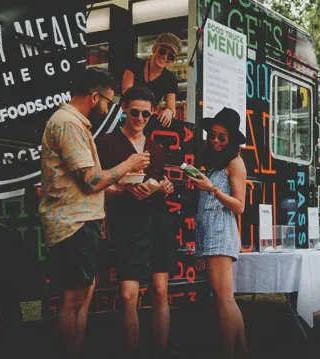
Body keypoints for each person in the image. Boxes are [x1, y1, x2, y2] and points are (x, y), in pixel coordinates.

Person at [39, 68, 151, 359]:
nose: (108, 110)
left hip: (81, 221)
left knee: (80, 297)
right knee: (73, 299)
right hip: (73, 224)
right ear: (93, 96)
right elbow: (90, 181)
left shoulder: (73, 123)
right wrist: (129, 165)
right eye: (108, 102)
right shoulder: (67, 124)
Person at [95, 86, 178, 359]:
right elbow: (96, 185)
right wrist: (124, 189)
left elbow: (163, 179)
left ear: (152, 113)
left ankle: (161, 351)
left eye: (145, 113)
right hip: (127, 224)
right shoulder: (107, 143)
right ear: (124, 109)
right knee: (129, 295)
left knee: (159, 290)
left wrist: (164, 187)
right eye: (134, 112)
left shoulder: (157, 148)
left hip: (159, 221)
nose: (139, 118)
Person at [189, 107, 248, 359]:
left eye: (221, 137)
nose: (215, 141)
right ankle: (242, 352)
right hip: (210, 234)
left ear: (231, 140)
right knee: (226, 300)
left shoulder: (235, 162)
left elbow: (239, 205)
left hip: (221, 233)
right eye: (212, 135)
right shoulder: (215, 162)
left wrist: (212, 189)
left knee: (224, 300)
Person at [122, 32, 182, 128]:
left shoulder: (170, 79)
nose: (165, 57)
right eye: (162, 51)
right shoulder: (134, 64)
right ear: (154, 49)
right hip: (125, 117)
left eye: (170, 56)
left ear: (173, 60)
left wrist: (169, 112)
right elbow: (126, 92)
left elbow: (171, 109)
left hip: (145, 122)